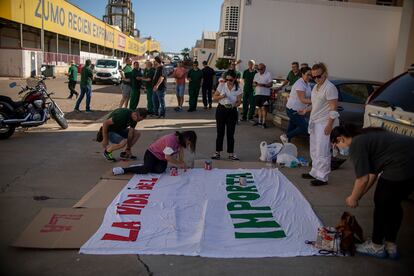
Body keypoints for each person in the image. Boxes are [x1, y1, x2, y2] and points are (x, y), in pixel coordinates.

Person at [330, 124, 414, 258]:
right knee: (394, 203)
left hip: (400, 164)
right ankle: (390, 245)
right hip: (410, 165)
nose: (337, 149)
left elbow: (362, 179)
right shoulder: (365, 137)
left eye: (335, 145)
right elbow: (372, 175)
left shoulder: (357, 144)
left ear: (340, 139)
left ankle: (376, 246)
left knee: (381, 203)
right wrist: (359, 195)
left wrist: (353, 198)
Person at [300, 63, 339, 186]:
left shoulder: (330, 88)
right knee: (314, 149)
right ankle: (314, 172)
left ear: (325, 74)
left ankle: (323, 177)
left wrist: (329, 125)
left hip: (324, 123)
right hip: (314, 122)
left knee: (322, 151)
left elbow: (333, 109)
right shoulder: (315, 87)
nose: (316, 79)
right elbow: (316, 104)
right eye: (313, 76)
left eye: (319, 76)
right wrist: (306, 110)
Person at [112, 131, 197, 175]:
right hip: (151, 153)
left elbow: (180, 151)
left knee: (160, 170)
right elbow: (168, 157)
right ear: (186, 138)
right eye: (189, 143)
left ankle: (144, 166)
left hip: (161, 158)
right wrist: (179, 164)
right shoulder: (172, 139)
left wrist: (181, 162)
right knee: (146, 170)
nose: (188, 144)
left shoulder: (181, 141)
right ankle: (124, 170)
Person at [211, 70, 242, 161]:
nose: (228, 81)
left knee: (230, 133)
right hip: (221, 109)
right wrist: (222, 96)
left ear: (235, 79)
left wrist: (233, 105)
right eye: (227, 79)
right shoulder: (221, 85)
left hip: (232, 111)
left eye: (230, 79)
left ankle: (231, 154)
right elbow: (214, 97)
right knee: (220, 132)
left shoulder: (238, 88)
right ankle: (217, 153)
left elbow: (239, 102)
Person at [280, 66, 312, 143]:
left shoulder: (307, 83)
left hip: (299, 110)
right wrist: (316, 101)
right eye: (308, 74)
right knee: (305, 128)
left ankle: (286, 142)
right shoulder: (299, 84)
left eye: (310, 75)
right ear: (302, 74)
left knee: (292, 126)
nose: (309, 76)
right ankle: (286, 137)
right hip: (293, 110)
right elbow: (302, 99)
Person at [253, 63, 273, 128]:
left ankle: (264, 123)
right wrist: (255, 84)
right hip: (258, 93)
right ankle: (259, 122)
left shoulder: (268, 74)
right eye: (258, 69)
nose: (259, 70)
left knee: (264, 108)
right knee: (259, 107)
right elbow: (253, 83)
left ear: (264, 68)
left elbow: (271, 84)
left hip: (265, 94)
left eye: (261, 69)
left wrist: (263, 85)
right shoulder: (256, 74)